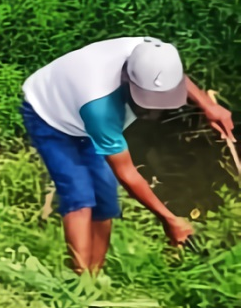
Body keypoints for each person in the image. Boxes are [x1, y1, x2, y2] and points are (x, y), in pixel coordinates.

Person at [21, 37, 235, 274]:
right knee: (79, 195)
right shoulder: (100, 104)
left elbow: (174, 78)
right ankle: (78, 285)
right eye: (147, 102)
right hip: (51, 115)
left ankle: (93, 275)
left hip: (84, 107)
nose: (153, 109)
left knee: (105, 200)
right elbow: (127, 173)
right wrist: (169, 219)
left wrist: (208, 105)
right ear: (126, 80)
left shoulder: (154, 54)